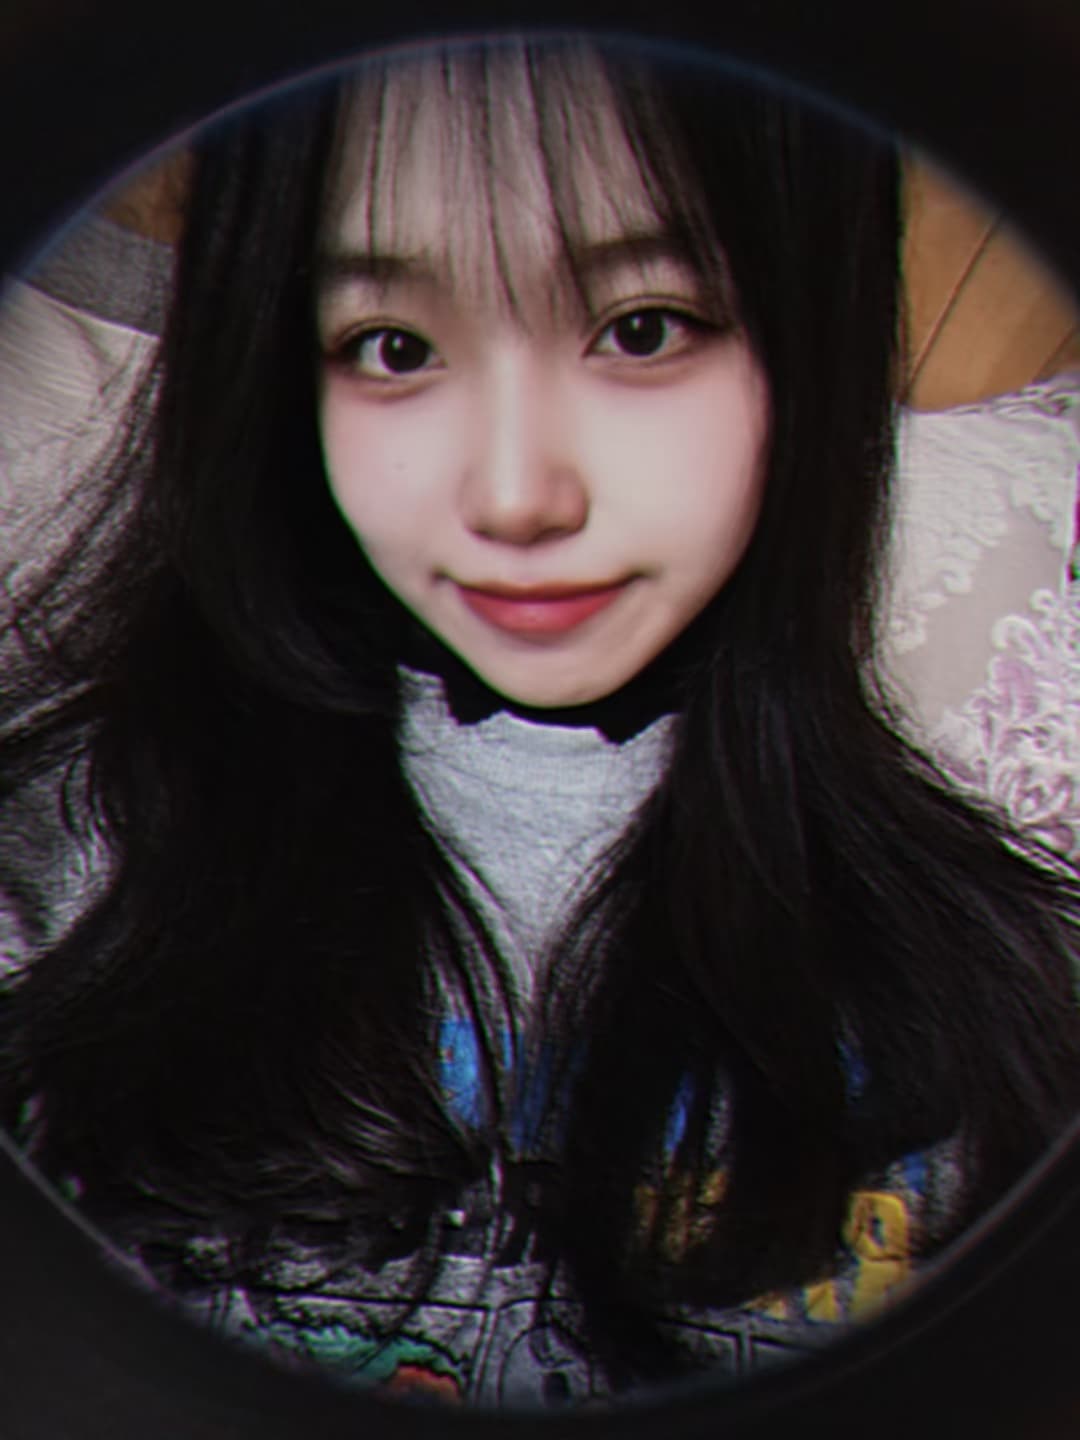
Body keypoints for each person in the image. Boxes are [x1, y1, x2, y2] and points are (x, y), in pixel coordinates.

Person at [0, 34, 1078, 1410]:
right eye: (394, 348)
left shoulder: (993, 976)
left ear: (814, 347)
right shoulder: (66, 868)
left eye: (644, 329)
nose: (515, 495)